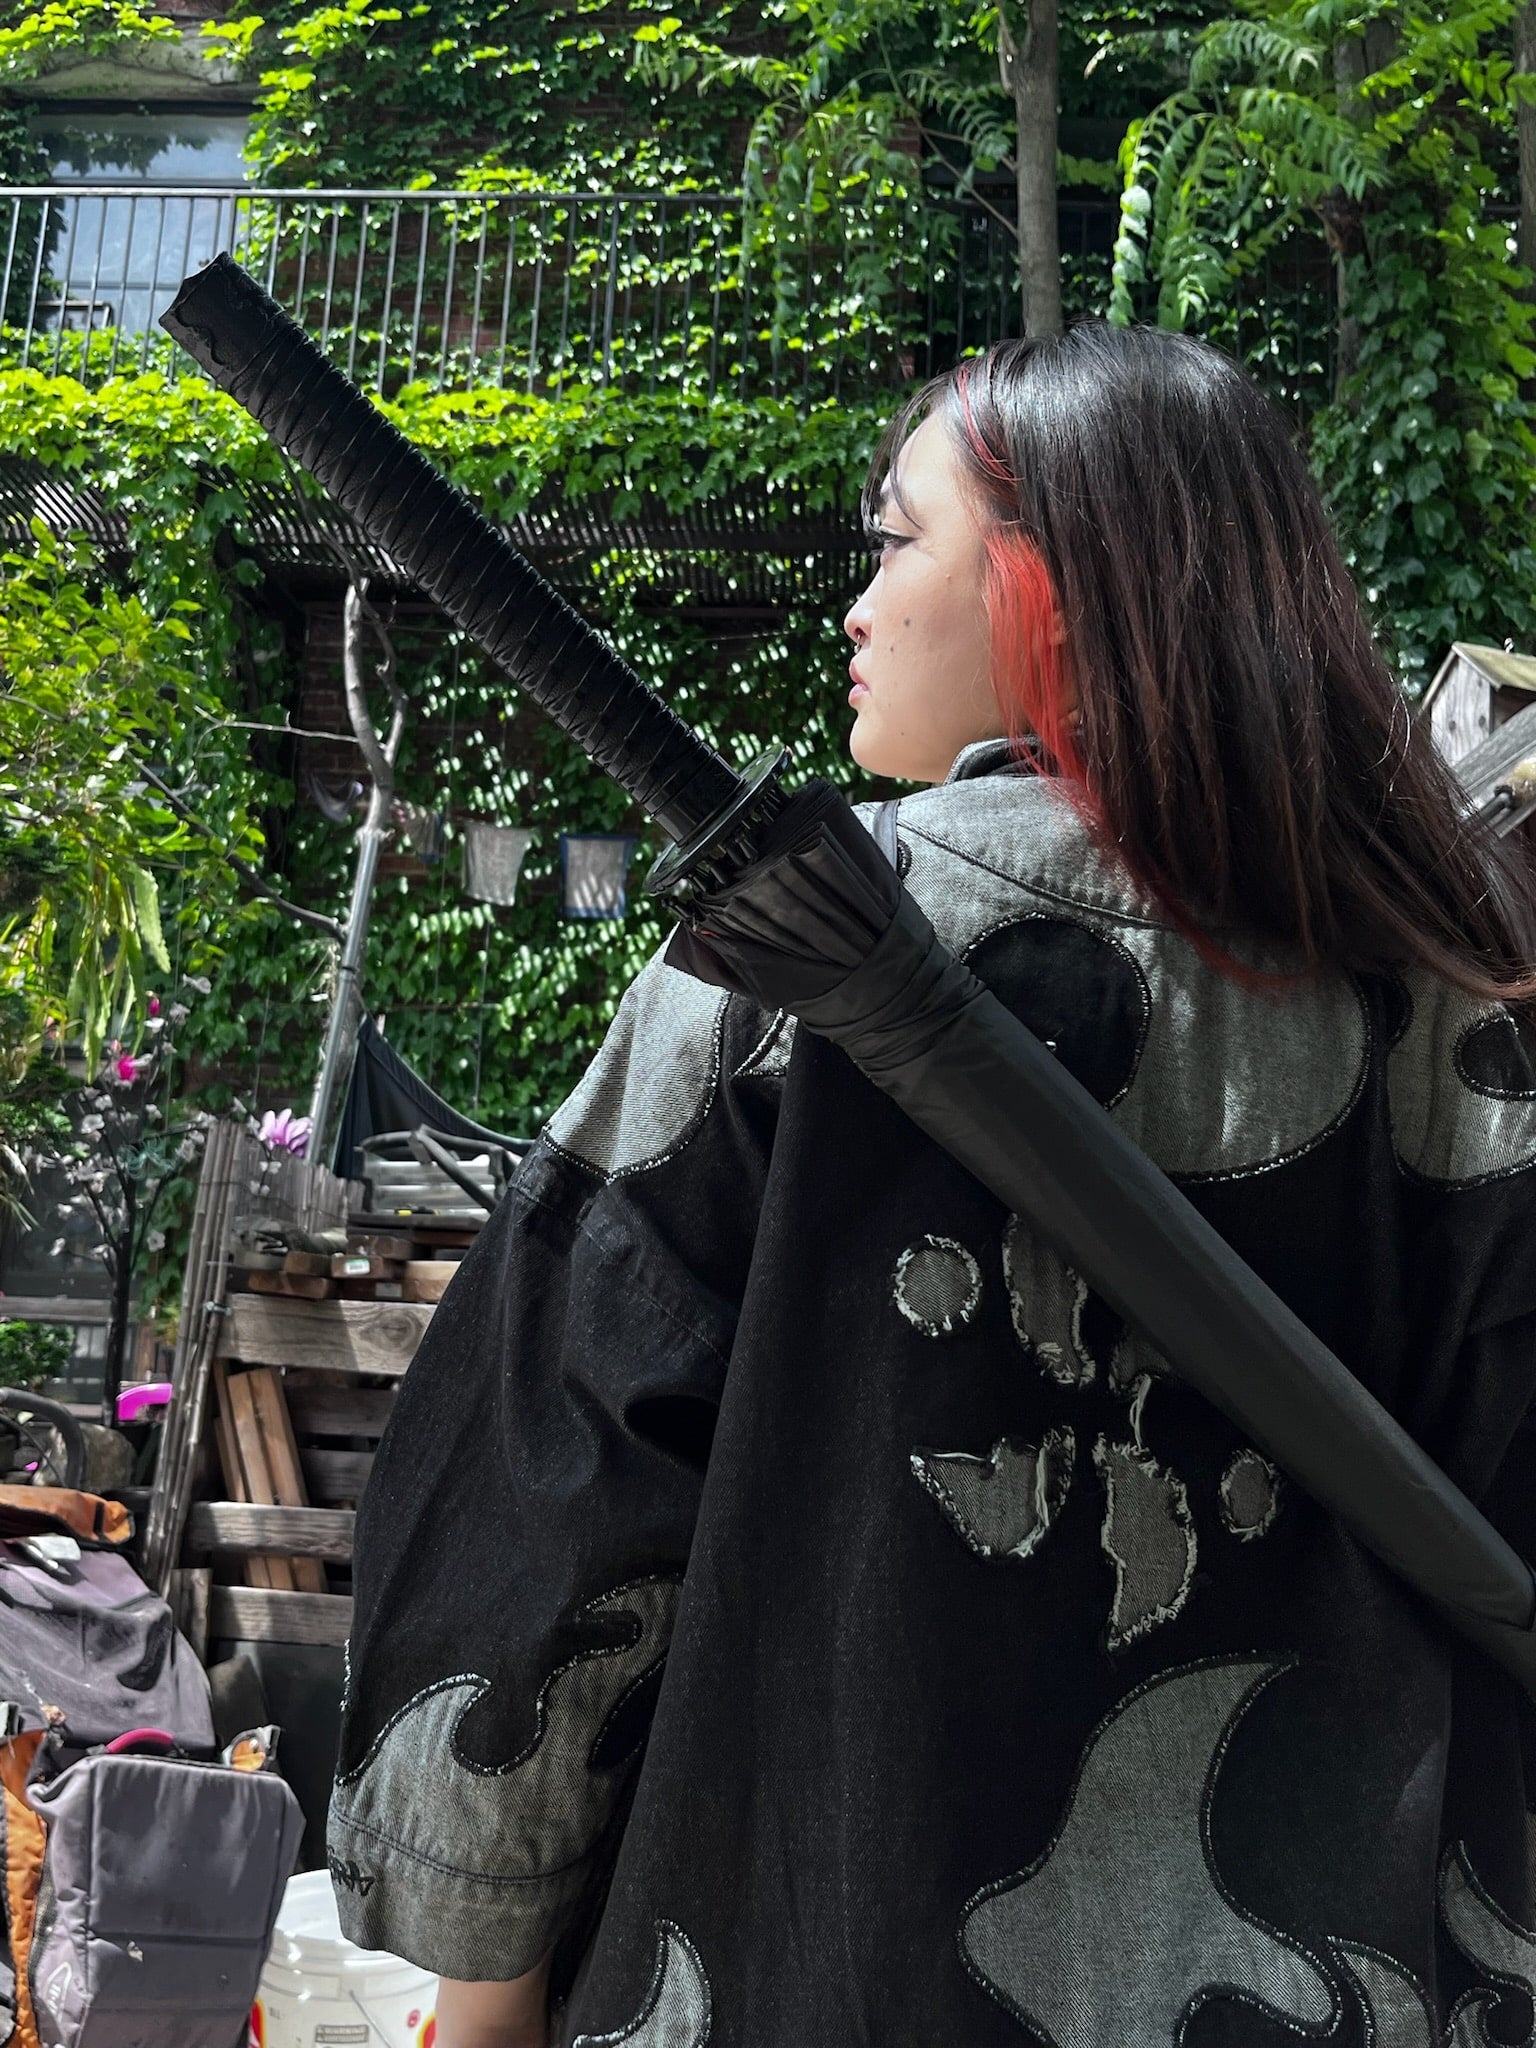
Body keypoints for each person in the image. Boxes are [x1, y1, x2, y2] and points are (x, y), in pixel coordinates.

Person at [328, 324, 1536, 2048]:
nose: (855, 606)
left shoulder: (776, 974)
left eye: (896, 541)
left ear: (1060, 582)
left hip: (789, 1967)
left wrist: (485, 1980)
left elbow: (558, 1492)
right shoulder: (1459, 1006)